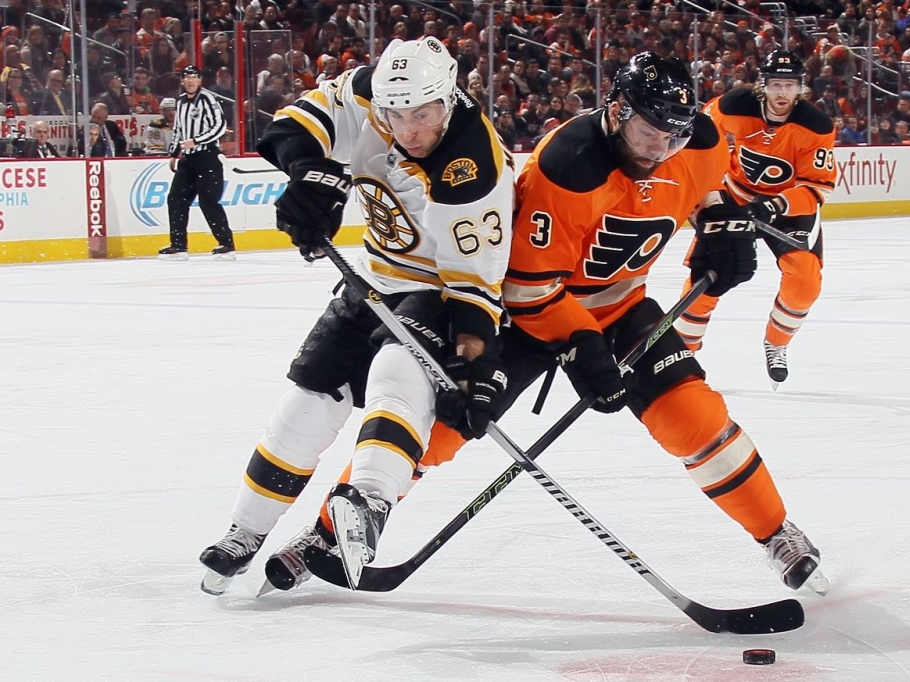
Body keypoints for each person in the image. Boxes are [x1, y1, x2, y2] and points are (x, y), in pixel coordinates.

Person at [217, 51, 828, 599]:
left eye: (673, 138)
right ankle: (332, 531)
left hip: (622, 307)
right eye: (648, 134)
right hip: (531, 316)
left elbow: (706, 190)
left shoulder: (693, 141)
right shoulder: (567, 165)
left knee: (699, 419)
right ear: (617, 112)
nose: (660, 151)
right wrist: (582, 347)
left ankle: (778, 534)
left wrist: (722, 225)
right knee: (442, 429)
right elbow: (527, 288)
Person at [197, 36, 515, 595]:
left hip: (442, 292)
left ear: (450, 97)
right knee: (308, 399)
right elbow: (295, 126)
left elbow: (475, 286)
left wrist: (472, 365)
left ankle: (367, 502)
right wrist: (310, 174)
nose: (408, 128)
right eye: (396, 114)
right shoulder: (368, 95)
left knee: (398, 371)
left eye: (423, 113)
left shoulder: (474, 167)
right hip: (374, 276)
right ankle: (244, 531)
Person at [672, 50, 836, 387]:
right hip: (736, 195)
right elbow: (697, 143)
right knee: (708, 274)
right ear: (762, 86)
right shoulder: (732, 106)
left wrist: (774, 206)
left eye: (789, 86)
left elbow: (818, 186)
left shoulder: (816, 126)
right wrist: (711, 197)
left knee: (805, 282)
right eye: (775, 84)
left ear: (801, 89)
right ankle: (681, 354)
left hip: (787, 207)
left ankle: (776, 342)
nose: (781, 94)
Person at [159, 65, 235, 260]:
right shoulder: (181, 102)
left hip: (207, 157)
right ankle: (179, 245)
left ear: (200, 80)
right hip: (188, 159)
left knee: (208, 201)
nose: (191, 81)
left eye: (194, 77)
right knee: (176, 199)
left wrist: (197, 140)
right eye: (187, 77)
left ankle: (226, 243)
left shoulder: (208, 99)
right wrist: (174, 153)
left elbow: (220, 126)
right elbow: (178, 129)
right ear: (182, 81)